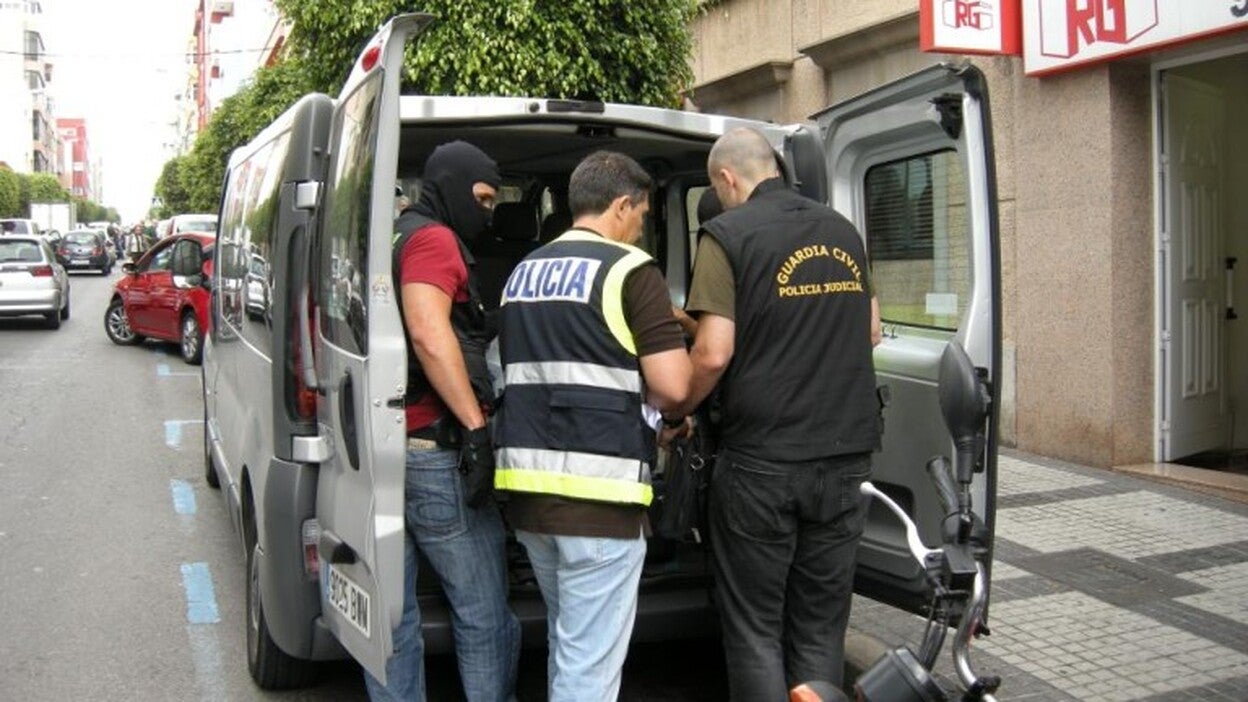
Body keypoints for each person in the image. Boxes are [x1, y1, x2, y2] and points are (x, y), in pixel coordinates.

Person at [668, 127, 883, 701]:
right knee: (820, 624)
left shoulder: (726, 234)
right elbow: (870, 330)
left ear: (726, 178)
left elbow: (713, 353)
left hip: (762, 462)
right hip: (846, 457)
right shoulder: (843, 230)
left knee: (755, 627)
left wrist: (676, 408)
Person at [493, 150, 691, 701]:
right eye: (642, 216)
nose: (641, 229)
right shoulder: (630, 270)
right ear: (621, 205)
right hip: (600, 503)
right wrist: (670, 414)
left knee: (570, 646)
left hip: (530, 498)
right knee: (590, 672)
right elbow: (673, 385)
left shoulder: (521, 273)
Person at [365, 141, 520, 702]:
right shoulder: (434, 239)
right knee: (484, 614)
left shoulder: (394, 234)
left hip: (385, 448)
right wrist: (475, 428)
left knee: (393, 617)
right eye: (481, 198)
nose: (487, 211)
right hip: (435, 453)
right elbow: (430, 334)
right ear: (451, 184)